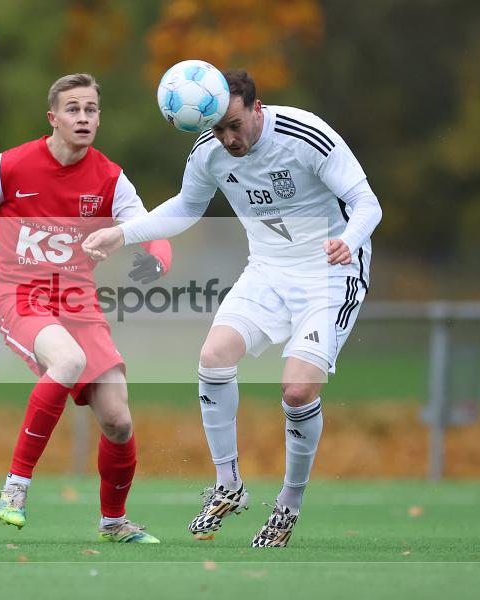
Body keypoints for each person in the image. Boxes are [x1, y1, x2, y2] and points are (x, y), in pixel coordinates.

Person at [83, 70, 382, 547]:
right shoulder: (209, 152)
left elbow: (367, 203)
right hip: (267, 270)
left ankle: (288, 505)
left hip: (330, 274)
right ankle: (228, 484)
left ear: (256, 108)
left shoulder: (305, 135)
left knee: (299, 390)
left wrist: (348, 241)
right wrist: (123, 233)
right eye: (219, 129)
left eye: (235, 125)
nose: (228, 138)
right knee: (213, 357)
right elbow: (185, 207)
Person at [0, 73, 172, 544]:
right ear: (52, 118)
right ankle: (16, 486)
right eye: (73, 109)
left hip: (77, 301)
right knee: (68, 361)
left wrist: (156, 260)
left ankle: (114, 523)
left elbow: (153, 228)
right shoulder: (12, 165)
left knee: (118, 420)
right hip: (20, 292)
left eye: (91, 109)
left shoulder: (110, 177)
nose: (83, 117)